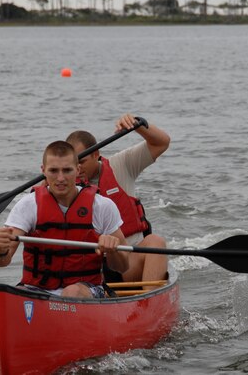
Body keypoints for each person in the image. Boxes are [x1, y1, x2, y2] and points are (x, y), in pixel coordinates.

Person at [0, 140, 128, 299]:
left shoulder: (103, 206)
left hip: (85, 289)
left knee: (72, 292)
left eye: (67, 170)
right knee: (3, 292)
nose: (61, 178)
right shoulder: (28, 205)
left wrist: (112, 251)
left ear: (77, 170)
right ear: (44, 171)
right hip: (36, 289)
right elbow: (1, 262)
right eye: (54, 170)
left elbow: (123, 266)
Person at [66, 114, 170, 289]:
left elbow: (161, 143)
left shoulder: (122, 164)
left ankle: (146, 304)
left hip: (128, 262)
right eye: (72, 163)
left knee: (156, 242)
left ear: (96, 154)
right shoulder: (62, 180)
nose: (77, 168)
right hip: (89, 269)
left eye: (82, 161)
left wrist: (138, 125)